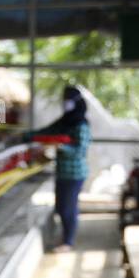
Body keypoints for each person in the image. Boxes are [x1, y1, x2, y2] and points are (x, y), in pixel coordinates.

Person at [31, 85, 92, 253]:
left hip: (75, 174)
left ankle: (68, 242)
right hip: (62, 172)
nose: (65, 103)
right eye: (64, 99)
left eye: (68, 99)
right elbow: (46, 132)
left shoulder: (81, 125)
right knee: (60, 207)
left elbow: (80, 150)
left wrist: (59, 146)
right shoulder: (65, 121)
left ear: (76, 102)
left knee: (68, 208)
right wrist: (23, 136)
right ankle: (65, 237)